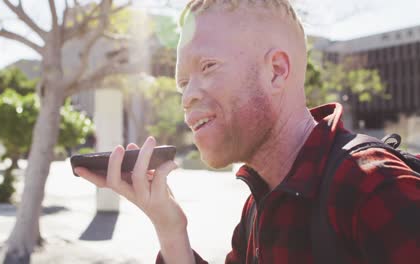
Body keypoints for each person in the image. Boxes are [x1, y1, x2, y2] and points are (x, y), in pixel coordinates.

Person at [75, 0, 420, 263]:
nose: (187, 96)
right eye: (183, 83)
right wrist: (169, 226)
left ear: (276, 71)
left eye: (207, 66)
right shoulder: (258, 204)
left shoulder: (374, 186)